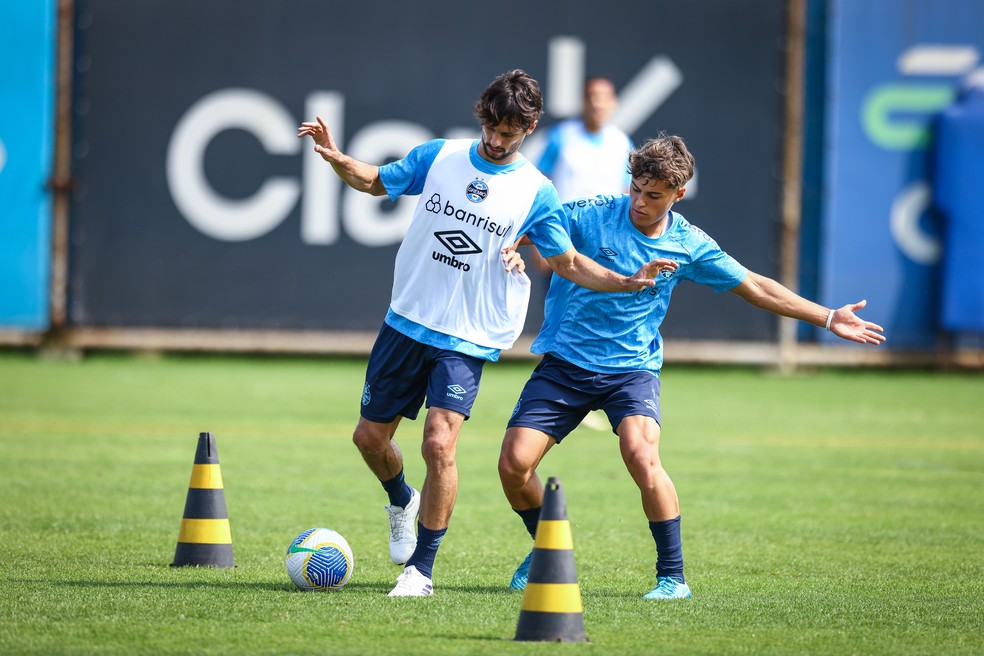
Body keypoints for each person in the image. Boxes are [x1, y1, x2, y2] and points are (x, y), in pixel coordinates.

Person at [296, 70, 674, 597]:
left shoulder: (537, 192)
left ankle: (420, 571)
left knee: (439, 443)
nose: (497, 141)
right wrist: (337, 158)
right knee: (369, 439)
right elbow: (374, 180)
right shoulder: (440, 156)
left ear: (530, 127)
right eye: (491, 129)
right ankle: (401, 498)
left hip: (467, 336)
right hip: (407, 321)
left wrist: (624, 282)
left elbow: (566, 262)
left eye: (509, 133)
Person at [498, 134, 886, 601]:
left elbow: (756, 286)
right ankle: (545, 547)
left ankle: (672, 578)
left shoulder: (688, 244)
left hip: (631, 371)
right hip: (566, 362)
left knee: (642, 456)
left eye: (654, 195)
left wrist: (826, 317)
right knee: (514, 466)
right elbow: (534, 222)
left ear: (678, 194)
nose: (639, 202)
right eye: (636, 189)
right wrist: (515, 246)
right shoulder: (593, 212)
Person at [537, 75, 633, 202]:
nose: (597, 104)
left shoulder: (623, 143)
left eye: (604, 98)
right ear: (583, 101)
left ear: (614, 103)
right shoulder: (561, 135)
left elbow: (627, 188)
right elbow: (540, 180)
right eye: (591, 97)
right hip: (565, 220)